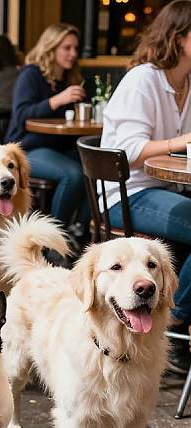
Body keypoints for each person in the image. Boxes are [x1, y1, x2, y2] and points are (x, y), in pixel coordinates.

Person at [101, 0, 191, 375]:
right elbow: (131, 151)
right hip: (129, 192)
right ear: (179, 37)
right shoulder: (144, 80)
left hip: (171, 189)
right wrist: (182, 141)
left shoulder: (188, 82)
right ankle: (174, 321)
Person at [6, 23, 87, 231]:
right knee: (73, 175)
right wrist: (58, 100)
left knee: (99, 168)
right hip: (27, 148)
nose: (73, 54)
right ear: (51, 48)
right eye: (67, 48)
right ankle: (52, 238)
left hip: (58, 147)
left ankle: (80, 229)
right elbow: (22, 115)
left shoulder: (68, 78)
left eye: (75, 48)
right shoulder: (31, 74)